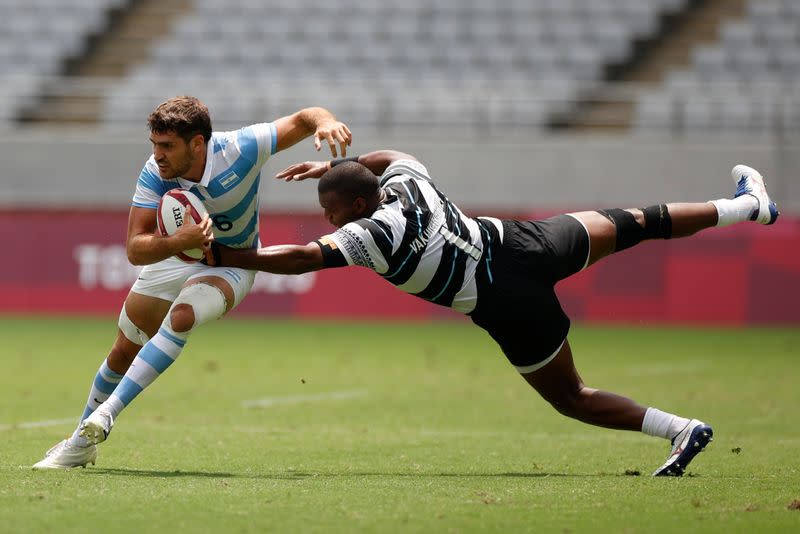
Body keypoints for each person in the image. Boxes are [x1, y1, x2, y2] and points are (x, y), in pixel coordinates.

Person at [204, 149, 778, 477]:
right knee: (638, 221)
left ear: (358, 204)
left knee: (573, 397)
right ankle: (749, 205)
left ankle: (681, 430)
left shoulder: (372, 233)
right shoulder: (407, 185)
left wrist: (225, 254)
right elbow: (396, 156)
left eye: (331, 209)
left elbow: (304, 258)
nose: (329, 220)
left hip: (506, 303)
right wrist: (340, 164)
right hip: (525, 243)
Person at [33, 96, 353, 469]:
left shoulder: (240, 149)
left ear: (197, 143)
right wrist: (177, 243)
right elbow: (135, 249)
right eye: (154, 145)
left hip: (231, 263)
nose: (158, 155)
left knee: (182, 316)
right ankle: (79, 442)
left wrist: (326, 121)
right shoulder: (154, 170)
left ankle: (105, 416)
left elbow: (303, 118)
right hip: (178, 256)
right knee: (124, 349)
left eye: (167, 146)